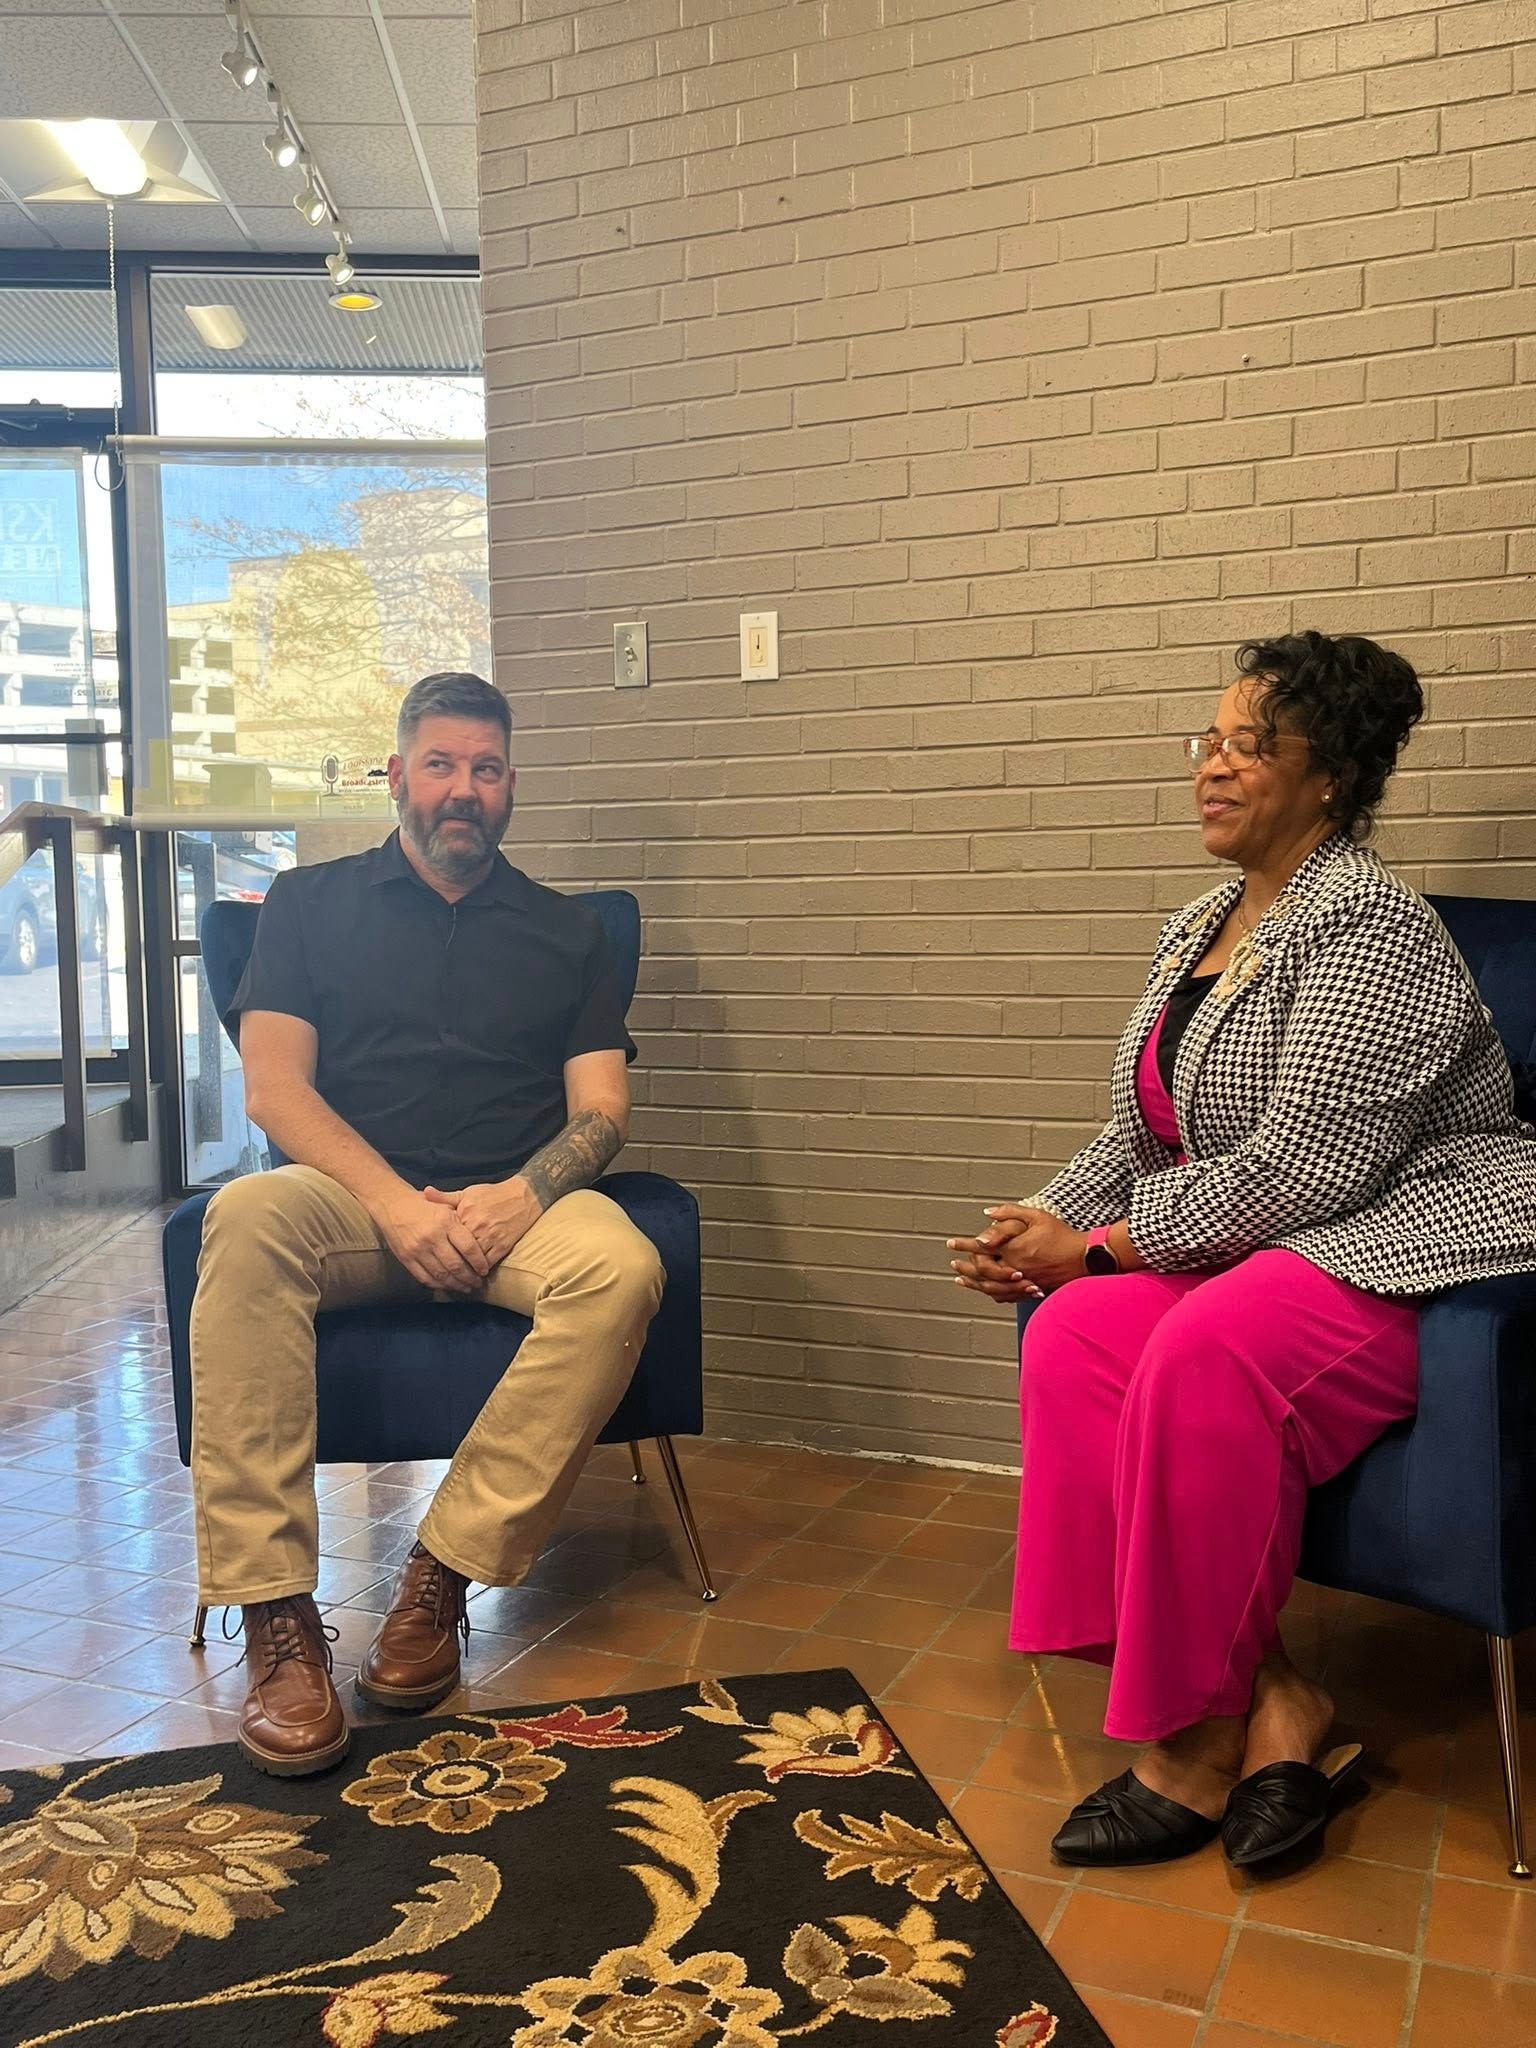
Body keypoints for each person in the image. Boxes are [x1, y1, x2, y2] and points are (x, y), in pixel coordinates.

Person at [948, 631, 1536, 1872]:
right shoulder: (1201, 925)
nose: (1211, 766)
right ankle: (1264, 1702)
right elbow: (1140, 1130)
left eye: (1250, 745)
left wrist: (1095, 1245)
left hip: (1414, 1242)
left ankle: (1194, 1748)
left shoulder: (1371, 923)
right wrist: (1036, 1226)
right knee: (1075, 1333)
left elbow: (1307, 1169)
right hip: (1277, 1240)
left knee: (1208, 1346)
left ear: (1329, 777)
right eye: (1208, 740)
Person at [189, 671, 663, 1777]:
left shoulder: (566, 931)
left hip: (510, 1207)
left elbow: (602, 1109)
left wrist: (523, 1196)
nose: (463, 789)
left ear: (511, 787)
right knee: (245, 1217)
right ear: (398, 775)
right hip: (349, 1204)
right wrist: (396, 1205)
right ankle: (276, 1616)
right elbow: (274, 1089)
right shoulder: (306, 904)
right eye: (441, 764)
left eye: (486, 769)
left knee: (622, 1265)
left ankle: (441, 1574)